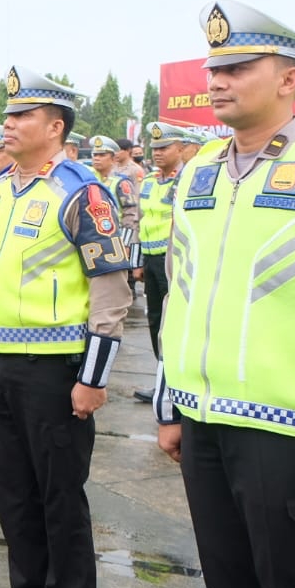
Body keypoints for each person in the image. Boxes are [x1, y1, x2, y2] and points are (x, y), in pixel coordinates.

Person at [154, 1, 295, 588]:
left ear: (289, 79)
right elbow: (182, 293)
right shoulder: (199, 169)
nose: (216, 81)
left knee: (293, 586)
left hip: (287, 432)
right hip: (203, 421)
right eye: (214, 69)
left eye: (238, 68)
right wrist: (169, 403)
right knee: (227, 581)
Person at [0, 66, 132, 588]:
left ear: (56, 127)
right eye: (7, 115)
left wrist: (93, 378)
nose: (9, 124)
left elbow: (112, 294)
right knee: (13, 497)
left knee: (60, 500)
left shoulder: (82, 193)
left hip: (58, 372)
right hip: (3, 368)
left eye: (22, 115)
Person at [131, 121, 189, 403]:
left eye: (164, 147)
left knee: (174, 319)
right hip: (151, 261)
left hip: (173, 261)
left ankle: (175, 382)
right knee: (154, 319)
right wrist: (137, 260)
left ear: (180, 148)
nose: (158, 153)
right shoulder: (150, 182)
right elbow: (140, 222)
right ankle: (161, 379)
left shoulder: (187, 180)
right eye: (154, 148)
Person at [89, 135, 141, 254]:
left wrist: (125, 242)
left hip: (115, 239)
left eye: (102, 155)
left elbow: (130, 215)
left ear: (113, 159)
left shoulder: (121, 183)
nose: (97, 158)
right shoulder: (90, 182)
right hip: (93, 240)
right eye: (95, 155)